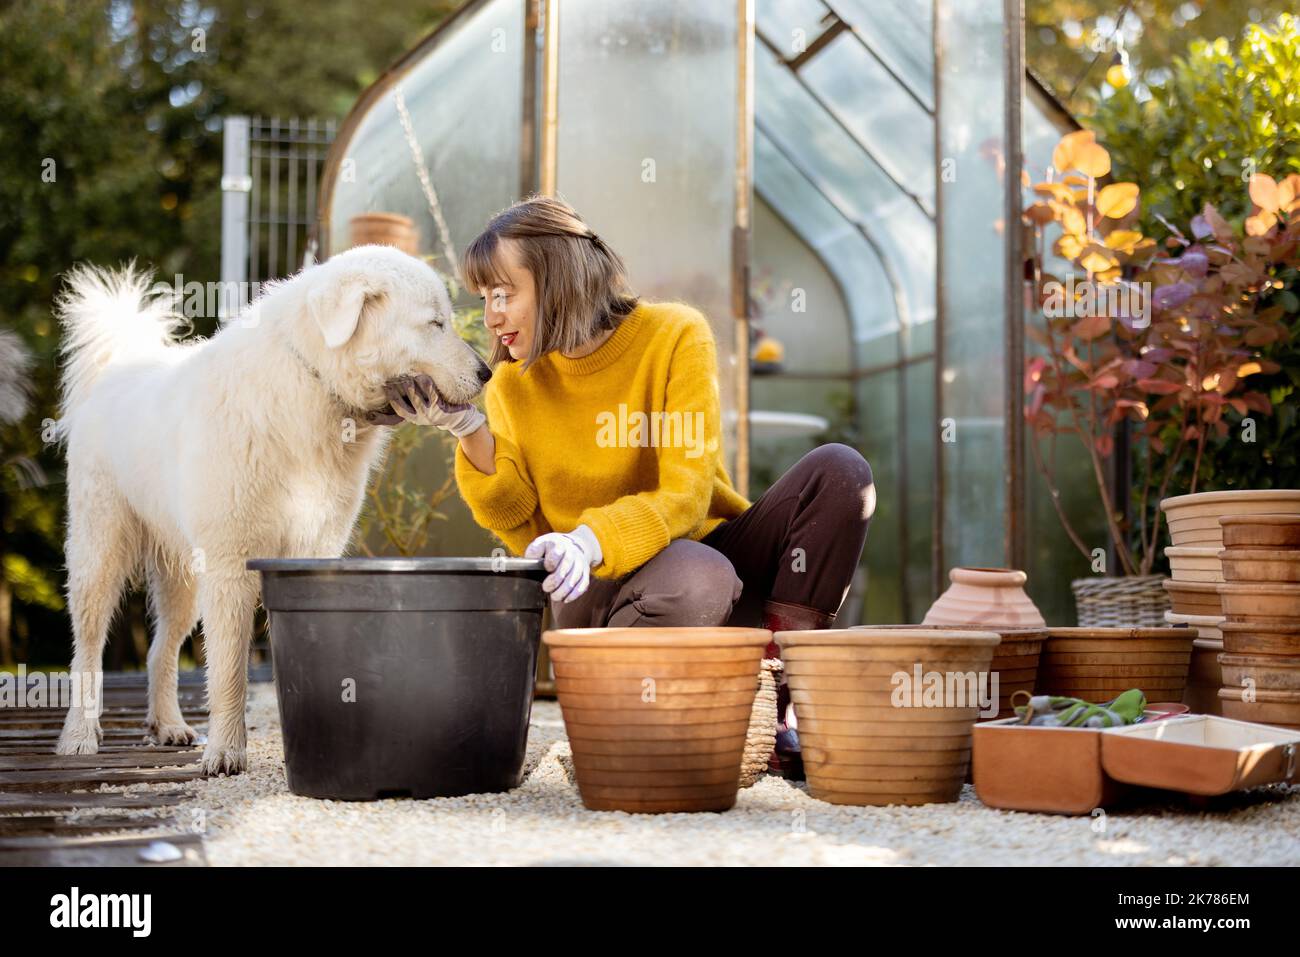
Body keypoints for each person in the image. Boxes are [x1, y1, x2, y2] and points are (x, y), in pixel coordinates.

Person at [382, 195, 875, 776]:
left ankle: (774, 706)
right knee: (697, 574)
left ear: (557, 278)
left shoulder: (673, 336)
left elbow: (687, 496)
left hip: (702, 566)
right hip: (611, 601)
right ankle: (627, 721)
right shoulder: (515, 384)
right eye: (484, 298)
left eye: (502, 293)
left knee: (841, 473)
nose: (490, 316)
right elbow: (520, 524)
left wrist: (591, 536)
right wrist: (468, 428)